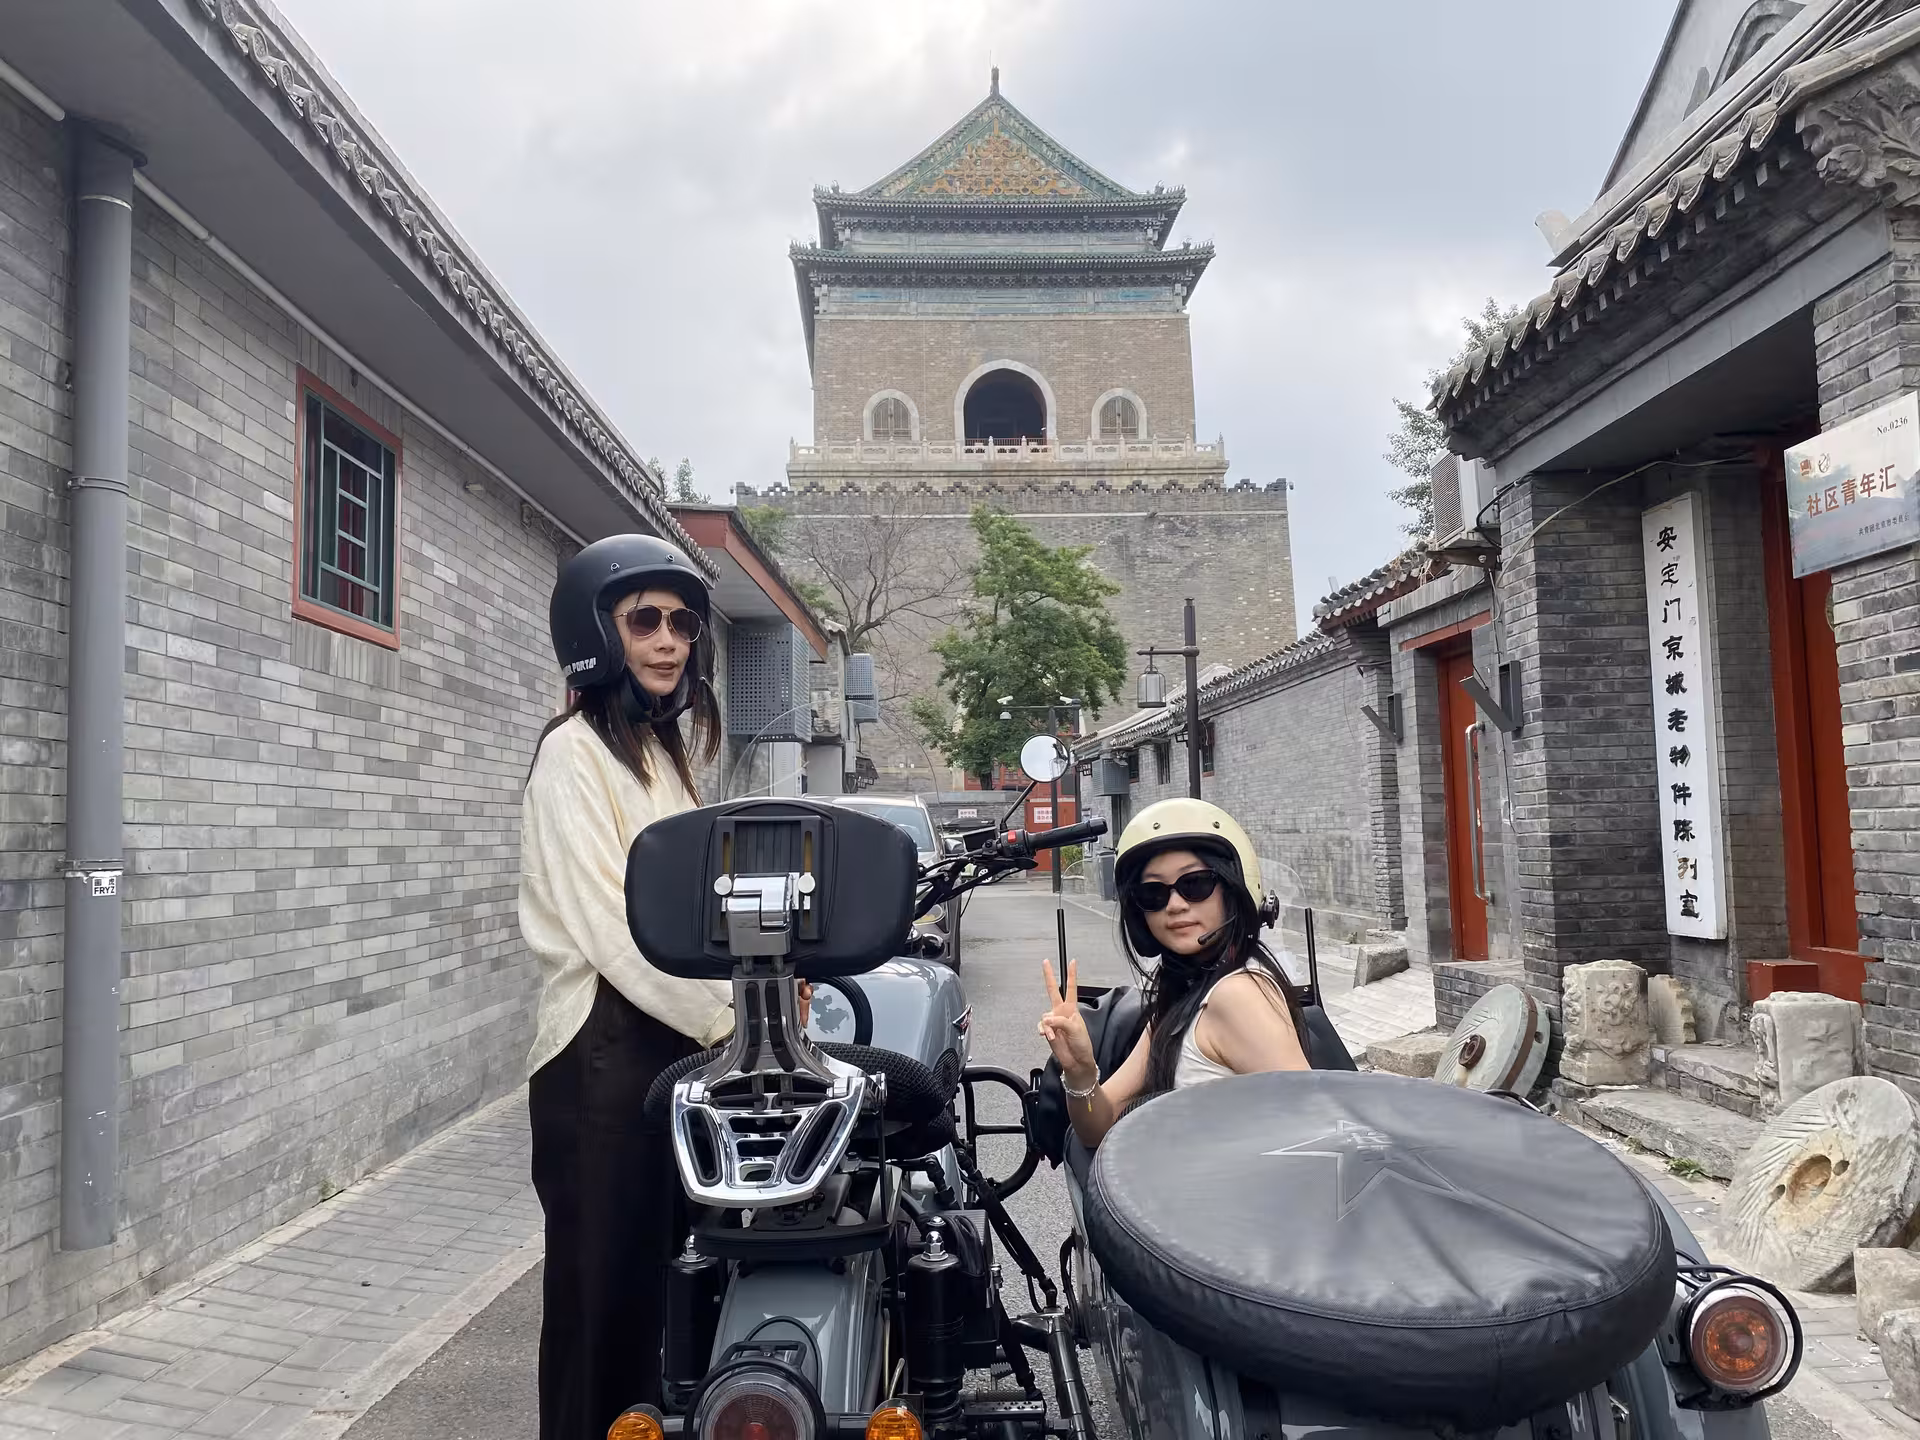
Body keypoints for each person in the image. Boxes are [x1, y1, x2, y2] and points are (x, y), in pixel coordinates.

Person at [521, 534, 806, 1440]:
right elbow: (617, 929)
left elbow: (703, 910)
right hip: (600, 1053)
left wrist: (770, 992)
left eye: (683, 622)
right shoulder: (573, 755)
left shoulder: (660, 758)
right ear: (596, 631)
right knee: (600, 1305)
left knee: (668, 1291)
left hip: (673, 1049)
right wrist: (735, 1020)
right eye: (645, 618)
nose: (670, 638)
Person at [1037, 797, 1309, 1151]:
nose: (1176, 904)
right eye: (1153, 893)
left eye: (1195, 884)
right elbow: (1097, 1127)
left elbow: (1313, 1127)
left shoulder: (1237, 995)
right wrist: (1081, 1072)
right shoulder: (1185, 999)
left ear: (1233, 889)